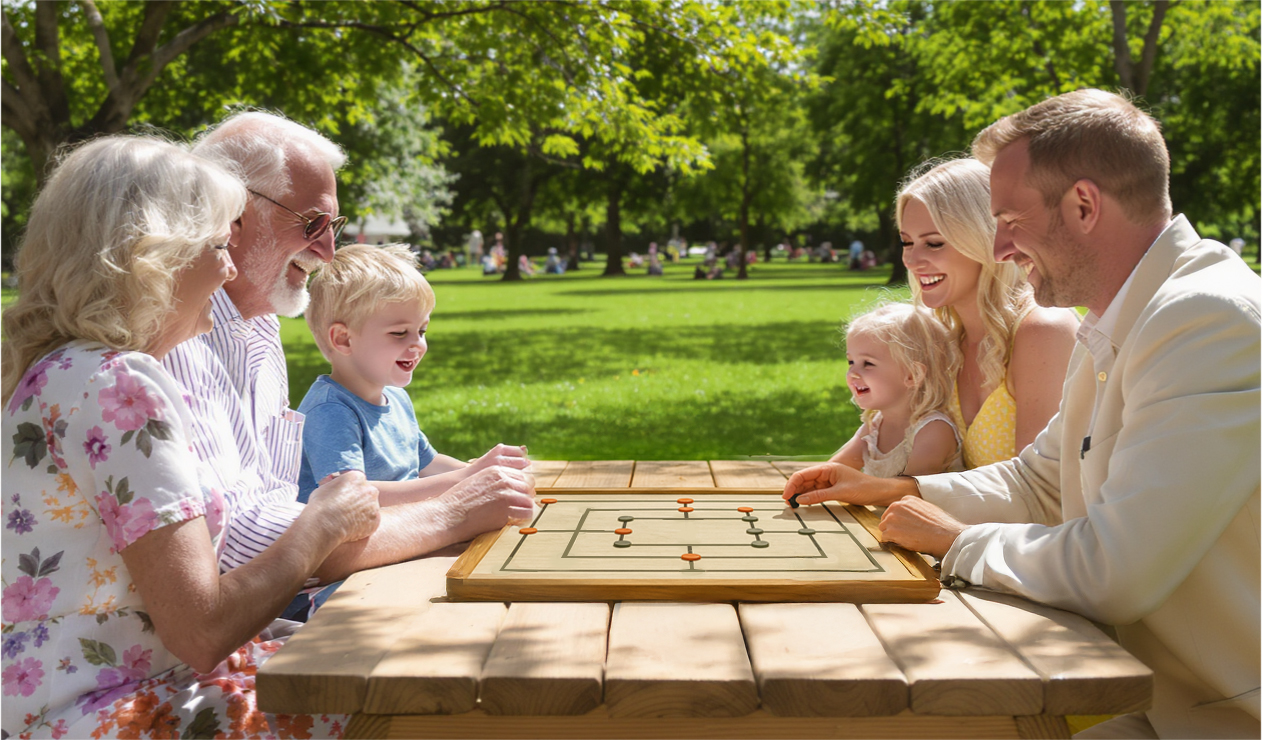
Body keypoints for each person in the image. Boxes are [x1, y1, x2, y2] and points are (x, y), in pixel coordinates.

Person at [784, 89, 1260, 739]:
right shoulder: (1131, 315)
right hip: (1173, 707)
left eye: (1008, 219)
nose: (1000, 247)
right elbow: (1036, 479)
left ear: (1084, 206)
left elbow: (1114, 570)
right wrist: (899, 487)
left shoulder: (1204, 320)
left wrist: (956, 542)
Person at [1, 136, 374, 737]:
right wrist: (321, 526)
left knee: (377, 660)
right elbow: (200, 629)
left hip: (70, 699)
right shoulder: (119, 385)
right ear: (154, 256)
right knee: (399, 702)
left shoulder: (53, 370)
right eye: (220, 245)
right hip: (104, 710)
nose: (228, 269)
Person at [163, 111, 534, 614]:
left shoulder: (259, 327)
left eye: (332, 225)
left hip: (276, 606)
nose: (328, 248)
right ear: (232, 213)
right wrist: (456, 509)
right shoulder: (174, 341)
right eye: (312, 223)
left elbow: (283, 512)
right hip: (236, 638)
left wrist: (463, 495)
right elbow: (242, 543)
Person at [297, 244, 527, 505]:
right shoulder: (330, 411)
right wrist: (466, 477)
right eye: (399, 333)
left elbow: (427, 463)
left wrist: (485, 473)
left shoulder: (396, 398)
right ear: (344, 340)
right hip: (351, 541)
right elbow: (349, 495)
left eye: (422, 331)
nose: (418, 344)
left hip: (404, 524)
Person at [899, 157, 1078, 469]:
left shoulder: (1044, 329)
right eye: (906, 242)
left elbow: (1041, 489)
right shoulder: (943, 340)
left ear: (983, 238)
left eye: (934, 243)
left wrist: (887, 492)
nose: (912, 261)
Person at [828, 303, 964, 478]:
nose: (852, 373)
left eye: (867, 363)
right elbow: (835, 469)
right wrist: (810, 481)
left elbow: (907, 490)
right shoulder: (875, 425)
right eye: (851, 362)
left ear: (912, 375)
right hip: (883, 505)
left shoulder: (933, 430)